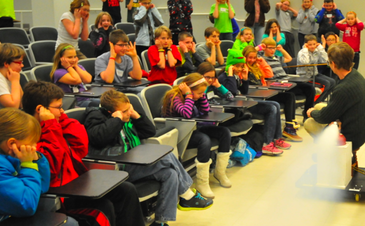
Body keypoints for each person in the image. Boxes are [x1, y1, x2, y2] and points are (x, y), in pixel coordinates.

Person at [22, 81, 146, 226]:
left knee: (126, 190)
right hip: (61, 194)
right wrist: (50, 127)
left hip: (77, 183)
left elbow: (81, 147)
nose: (62, 111)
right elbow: (52, 169)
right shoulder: (29, 136)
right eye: (59, 107)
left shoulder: (56, 125)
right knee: (104, 207)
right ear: (40, 109)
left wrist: (59, 120)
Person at [84, 89, 213, 226]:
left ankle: (161, 222)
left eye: (129, 108)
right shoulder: (96, 117)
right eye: (124, 111)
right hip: (118, 167)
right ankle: (187, 195)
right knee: (166, 156)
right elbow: (99, 138)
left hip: (135, 161)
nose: (128, 113)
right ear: (111, 112)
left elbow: (149, 131)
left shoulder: (129, 116)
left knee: (170, 174)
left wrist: (136, 115)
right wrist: (117, 120)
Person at [162, 73, 232, 199]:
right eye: (199, 93)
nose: (201, 95)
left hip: (193, 128)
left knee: (224, 132)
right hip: (180, 133)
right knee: (204, 140)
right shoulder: (174, 96)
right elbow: (187, 114)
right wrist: (189, 95)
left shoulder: (197, 96)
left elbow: (205, 110)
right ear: (189, 89)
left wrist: (201, 95)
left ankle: (220, 172)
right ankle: (202, 183)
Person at [304, 42, 365, 167]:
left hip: (353, 135)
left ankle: (329, 152)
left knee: (309, 122)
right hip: (364, 126)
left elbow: (324, 117)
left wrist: (311, 113)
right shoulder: (355, 75)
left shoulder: (343, 88)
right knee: (320, 107)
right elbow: (335, 107)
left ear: (333, 64)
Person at [0, 108, 51, 224]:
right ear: (12, 144)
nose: (35, 147)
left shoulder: (12, 158)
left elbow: (41, 187)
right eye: (32, 143)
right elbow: (26, 205)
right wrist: (28, 166)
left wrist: (36, 160)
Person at [50, 43, 100, 108]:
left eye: (75, 56)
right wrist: (68, 67)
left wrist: (76, 66)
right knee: (97, 106)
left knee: (107, 103)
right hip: (73, 102)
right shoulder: (58, 72)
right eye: (70, 57)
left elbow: (88, 80)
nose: (73, 60)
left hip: (86, 98)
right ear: (60, 58)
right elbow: (77, 80)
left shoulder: (78, 67)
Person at [297, 34, 335, 103]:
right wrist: (305, 50)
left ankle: (320, 101)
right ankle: (314, 103)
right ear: (306, 44)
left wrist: (320, 48)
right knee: (327, 83)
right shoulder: (302, 52)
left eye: (314, 44)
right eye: (310, 44)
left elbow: (325, 60)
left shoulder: (316, 51)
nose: (312, 46)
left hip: (315, 74)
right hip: (305, 77)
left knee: (332, 82)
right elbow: (306, 62)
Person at [0, 43, 24, 111]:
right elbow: (13, 107)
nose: (22, 65)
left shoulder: (10, 76)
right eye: (19, 62)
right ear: (6, 64)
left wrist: (15, 81)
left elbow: (22, 104)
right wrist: (15, 81)